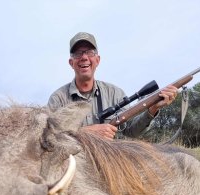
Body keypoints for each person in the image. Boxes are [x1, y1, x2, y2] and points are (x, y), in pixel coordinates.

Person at [48, 32, 178, 139]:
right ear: (71, 63)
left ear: (97, 60)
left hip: (109, 166)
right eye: (78, 53)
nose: (84, 57)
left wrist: (153, 109)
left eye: (89, 52)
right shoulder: (58, 98)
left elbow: (132, 132)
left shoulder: (115, 94)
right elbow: (48, 137)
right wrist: (85, 133)